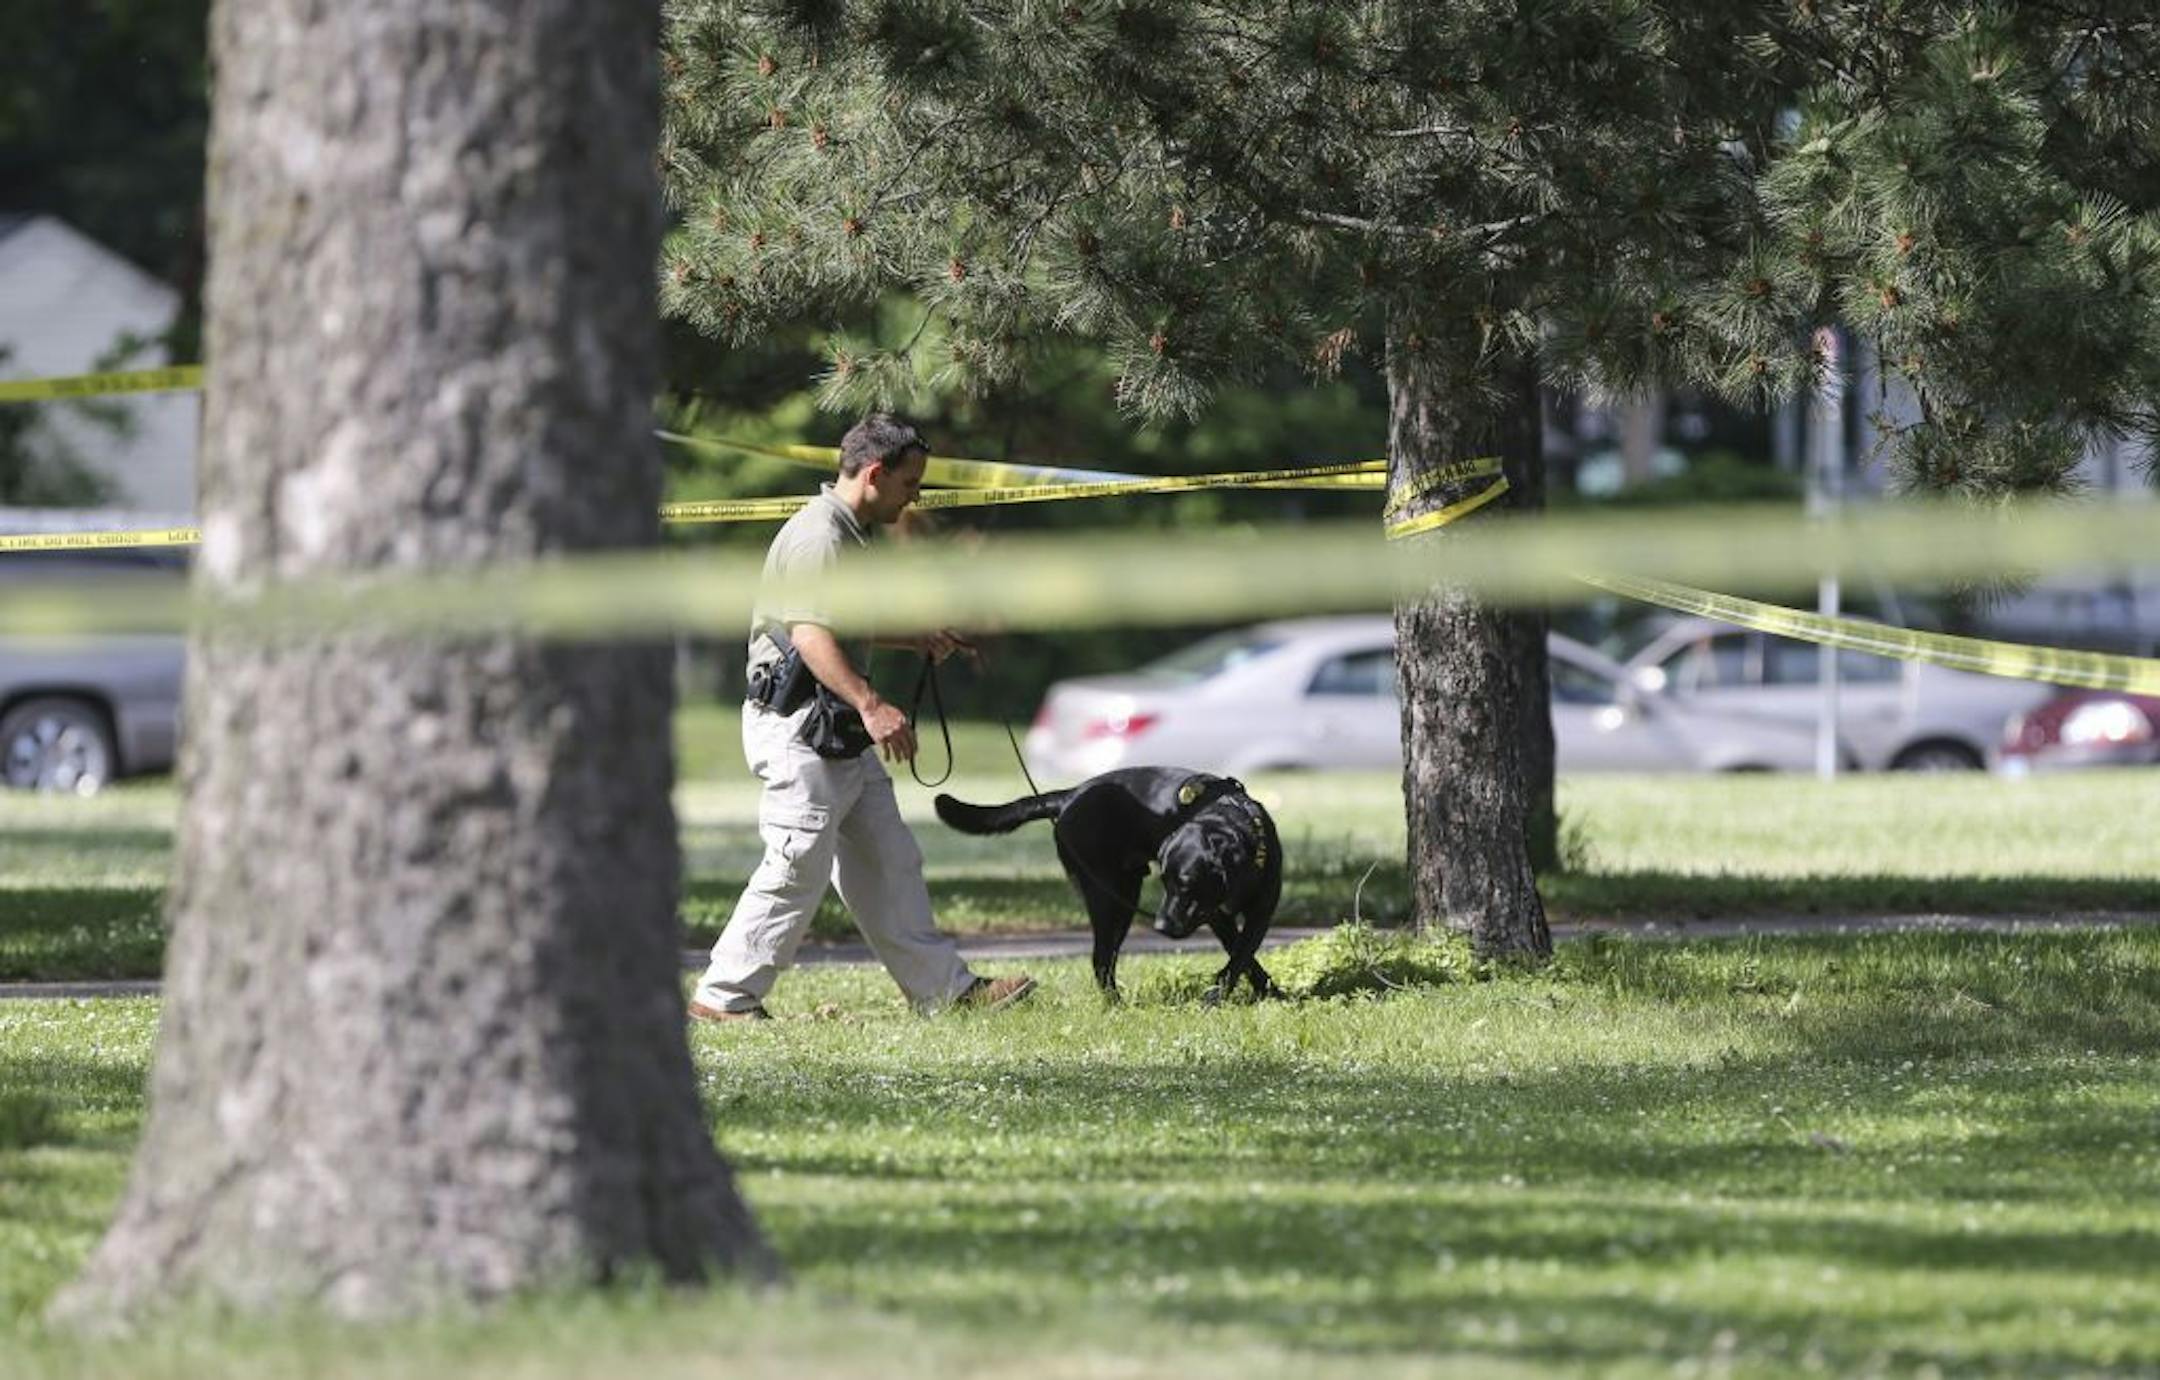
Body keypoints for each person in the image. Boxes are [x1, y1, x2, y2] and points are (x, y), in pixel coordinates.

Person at [689, 414, 1037, 1021]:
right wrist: (873, 706)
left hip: (833, 730)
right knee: (798, 862)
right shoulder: (820, 537)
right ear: (874, 474)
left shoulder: (850, 532)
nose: (916, 498)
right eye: (910, 484)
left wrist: (916, 638)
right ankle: (724, 1000)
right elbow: (811, 634)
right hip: (800, 728)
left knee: (888, 860)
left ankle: (947, 994)